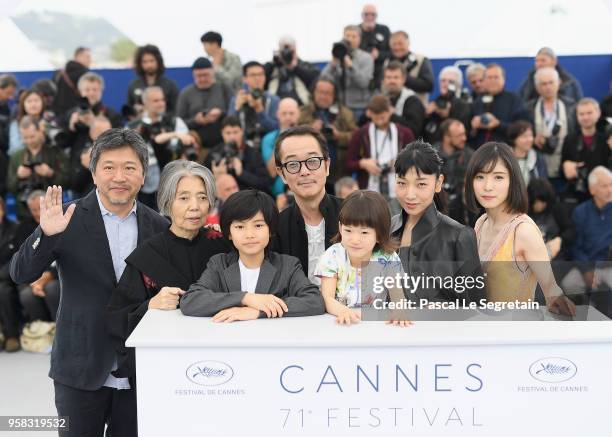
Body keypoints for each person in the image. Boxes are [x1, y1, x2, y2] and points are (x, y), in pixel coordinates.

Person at [9, 128, 168, 437]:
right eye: (109, 167)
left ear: (143, 174)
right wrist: (46, 234)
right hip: (79, 367)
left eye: (129, 167)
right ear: (94, 173)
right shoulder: (66, 219)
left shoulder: (159, 225)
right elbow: (20, 274)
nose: (119, 176)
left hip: (139, 371)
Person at [106, 160, 229, 378]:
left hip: (224, 358)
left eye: (202, 197)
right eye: (184, 198)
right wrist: (151, 304)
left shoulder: (222, 244)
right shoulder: (149, 254)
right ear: (167, 201)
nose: (195, 206)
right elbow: (116, 318)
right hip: (166, 367)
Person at [465, 141, 575, 314]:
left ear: (513, 181)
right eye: (480, 176)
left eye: (498, 177)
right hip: (482, 332)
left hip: (515, 335)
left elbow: (552, 292)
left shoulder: (523, 231)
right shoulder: (481, 223)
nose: (487, 186)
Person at [180, 189, 325, 320]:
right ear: (229, 233)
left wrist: (258, 312)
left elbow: (314, 301)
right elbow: (190, 300)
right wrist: (246, 298)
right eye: (240, 227)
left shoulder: (288, 265)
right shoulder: (219, 264)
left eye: (258, 225)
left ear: (271, 230)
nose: (249, 235)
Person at [390, 140, 484, 304]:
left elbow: (475, 305)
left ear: (438, 183)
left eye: (421, 184)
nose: (410, 194)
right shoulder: (389, 228)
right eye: (402, 183)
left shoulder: (459, 236)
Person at [315, 190, 408, 325]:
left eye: (364, 232)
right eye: (348, 230)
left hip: (375, 324)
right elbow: (327, 297)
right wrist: (343, 311)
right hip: (339, 321)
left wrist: (400, 312)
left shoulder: (388, 258)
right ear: (340, 228)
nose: (355, 239)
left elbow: (398, 298)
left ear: (380, 233)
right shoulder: (332, 256)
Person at [273, 126, 342, 285]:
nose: (304, 171)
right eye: (293, 164)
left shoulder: (356, 216)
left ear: (327, 165)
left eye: (312, 161)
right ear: (281, 173)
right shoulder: (274, 228)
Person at [130, 86, 195, 209]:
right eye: (156, 101)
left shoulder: (175, 122)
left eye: (162, 100)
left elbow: (187, 146)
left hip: (175, 181)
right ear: (145, 103)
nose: (161, 104)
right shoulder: (134, 127)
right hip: (146, 185)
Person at [562, 167, 612, 309]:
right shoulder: (580, 212)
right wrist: (586, 271)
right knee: (569, 283)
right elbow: (576, 246)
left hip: (608, 265)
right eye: (604, 186)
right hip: (587, 264)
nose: (610, 190)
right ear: (592, 190)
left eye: (611, 185)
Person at [346, 95, 414, 196]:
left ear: (390, 111)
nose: (379, 121)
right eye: (375, 118)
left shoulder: (405, 133)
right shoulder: (361, 134)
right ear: (369, 114)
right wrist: (364, 163)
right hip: (369, 191)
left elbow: (415, 160)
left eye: (382, 117)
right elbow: (348, 162)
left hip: (399, 192)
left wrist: (401, 163)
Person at [7, 116, 69, 219]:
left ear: (40, 131)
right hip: (25, 212)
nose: (29, 141)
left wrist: (50, 173)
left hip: (52, 208)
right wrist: (18, 176)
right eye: (25, 138)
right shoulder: (16, 156)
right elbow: (10, 188)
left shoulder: (55, 152)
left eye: (32, 136)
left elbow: (68, 182)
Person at [525, 66, 576, 188]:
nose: (548, 87)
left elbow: (577, 134)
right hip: (538, 167)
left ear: (559, 83)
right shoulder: (528, 108)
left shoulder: (572, 106)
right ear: (537, 87)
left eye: (551, 82)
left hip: (565, 166)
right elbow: (520, 134)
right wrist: (532, 139)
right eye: (543, 84)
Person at [64, 72, 122, 176]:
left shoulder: (112, 115)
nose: (91, 93)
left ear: (101, 91)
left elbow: (120, 143)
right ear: (80, 92)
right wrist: (71, 128)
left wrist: (95, 124)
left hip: (106, 169)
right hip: (78, 172)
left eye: (95, 90)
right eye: (87, 90)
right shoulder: (72, 114)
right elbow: (64, 143)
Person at [298, 78, 357, 181]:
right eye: (320, 92)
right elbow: (292, 136)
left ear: (334, 95)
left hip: (340, 171)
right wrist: (310, 129)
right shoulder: (302, 112)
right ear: (314, 93)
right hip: (309, 170)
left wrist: (339, 136)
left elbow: (357, 137)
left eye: (327, 93)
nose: (323, 96)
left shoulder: (345, 113)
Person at [176, 57, 233, 150]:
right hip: (196, 144)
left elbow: (234, 115)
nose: (202, 79)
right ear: (193, 75)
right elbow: (179, 123)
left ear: (213, 72)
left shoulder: (224, 89)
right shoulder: (186, 94)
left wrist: (220, 113)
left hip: (222, 141)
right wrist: (196, 121)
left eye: (206, 75)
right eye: (198, 76)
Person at [561, 98, 609, 205]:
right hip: (577, 194)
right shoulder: (570, 139)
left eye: (589, 113)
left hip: (603, 195)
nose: (585, 117)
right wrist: (566, 167)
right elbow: (562, 170)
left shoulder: (607, 139)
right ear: (577, 116)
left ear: (598, 113)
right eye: (581, 114)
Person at [204, 116, 271, 192]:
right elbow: (203, 185)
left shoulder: (253, 153)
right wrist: (216, 177)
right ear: (222, 133)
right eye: (228, 133)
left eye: (235, 132)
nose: (232, 137)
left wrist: (242, 173)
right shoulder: (213, 154)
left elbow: (265, 183)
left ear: (242, 132)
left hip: (246, 198)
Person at [321, 25, 374, 119]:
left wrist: (350, 66)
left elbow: (363, 83)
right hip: (339, 106)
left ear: (359, 39)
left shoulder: (366, 58)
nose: (350, 39)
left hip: (358, 107)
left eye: (354, 36)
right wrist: (332, 64)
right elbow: (323, 79)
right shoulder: (338, 56)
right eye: (347, 36)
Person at [470, 64, 527, 147]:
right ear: (484, 81)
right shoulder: (477, 101)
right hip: (481, 152)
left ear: (503, 79)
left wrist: (498, 124)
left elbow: (522, 129)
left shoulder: (514, 99)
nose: (492, 80)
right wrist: (474, 127)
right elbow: (470, 135)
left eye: (496, 77)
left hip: (507, 150)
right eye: (489, 78)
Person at [228, 61, 280, 148]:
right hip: (243, 147)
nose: (257, 78)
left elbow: (276, 130)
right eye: (253, 75)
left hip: (268, 145)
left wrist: (260, 111)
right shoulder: (237, 99)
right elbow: (228, 128)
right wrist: (236, 108)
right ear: (244, 79)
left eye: (260, 74)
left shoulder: (274, 100)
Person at [261, 98, 300, 205]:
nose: (288, 117)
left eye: (291, 113)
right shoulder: (268, 139)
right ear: (277, 114)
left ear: (298, 114)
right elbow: (272, 171)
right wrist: (283, 138)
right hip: (277, 196)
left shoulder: (306, 137)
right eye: (284, 113)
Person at [435, 118, 475, 226]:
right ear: (447, 137)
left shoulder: (470, 156)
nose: (464, 138)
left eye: (464, 134)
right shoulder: (431, 156)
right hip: (437, 210)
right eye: (459, 136)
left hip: (462, 213)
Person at [527, 178, 575, 262]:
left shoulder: (556, 209)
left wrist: (560, 240)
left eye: (542, 202)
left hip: (555, 256)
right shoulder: (524, 212)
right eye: (536, 202)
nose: (539, 205)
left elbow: (570, 230)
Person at [126, 44, 179, 117]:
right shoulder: (134, 85)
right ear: (139, 63)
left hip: (165, 126)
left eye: (152, 61)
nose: (149, 65)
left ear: (158, 61)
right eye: (145, 62)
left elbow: (176, 110)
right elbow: (128, 112)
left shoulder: (170, 85)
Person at [264, 36, 320, 106]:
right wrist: (273, 63)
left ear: (295, 50)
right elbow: (261, 78)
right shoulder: (273, 67)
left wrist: (295, 68)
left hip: (301, 107)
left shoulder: (304, 65)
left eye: (289, 50)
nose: (286, 53)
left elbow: (316, 80)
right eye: (283, 49)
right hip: (276, 108)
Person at [423, 66, 471, 144]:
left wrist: (448, 115)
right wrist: (426, 116)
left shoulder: (464, 105)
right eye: (443, 80)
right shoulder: (435, 103)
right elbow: (427, 132)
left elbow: (464, 133)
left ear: (458, 85)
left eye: (451, 81)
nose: (446, 84)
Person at [384, 31, 433, 106]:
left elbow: (428, 85)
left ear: (408, 43)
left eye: (400, 43)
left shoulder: (421, 60)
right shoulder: (387, 62)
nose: (397, 47)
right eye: (394, 44)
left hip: (417, 109)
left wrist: (403, 77)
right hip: (391, 109)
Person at [518, 47, 583, 104]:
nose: (539, 64)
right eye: (537, 61)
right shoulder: (528, 81)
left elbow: (578, 104)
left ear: (554, 61)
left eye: (542, 60)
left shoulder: (569, 82)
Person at [380, 60, 425, 137]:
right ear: (384, 80)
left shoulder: (413, 101)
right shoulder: (380, 99)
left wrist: (392, 116)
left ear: (403, 79)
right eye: (388, 77)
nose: (392, 81)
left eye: (396, 77)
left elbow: (414, 130)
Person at [0, 196, 19, 352]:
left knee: (3, 291)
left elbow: (17, 257)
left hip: (8, 277)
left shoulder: (15, 228)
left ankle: (12, 336)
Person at [358, 4, 391, 86]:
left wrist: (379, 54)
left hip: (380, 74)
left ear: (376, 16)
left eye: (373, 14)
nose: (369, 17)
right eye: (366, 14)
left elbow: (392, 52)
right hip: (360, 73)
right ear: (362, 16)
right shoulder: (355, 31)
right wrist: (367, 55)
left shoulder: (384, 30)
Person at [53, 47, 90, 118]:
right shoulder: (85, 74)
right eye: (87, 57)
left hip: (58, 113)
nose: (90, 60)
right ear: (78, 56)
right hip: (76, 114)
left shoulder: (60, 72)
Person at [508, 120, 548, 185]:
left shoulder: (538, 158)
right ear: (514, 139)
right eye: (524, 136)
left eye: (530, 135)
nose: (529, 139)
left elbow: (543, 184)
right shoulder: (505, 157)